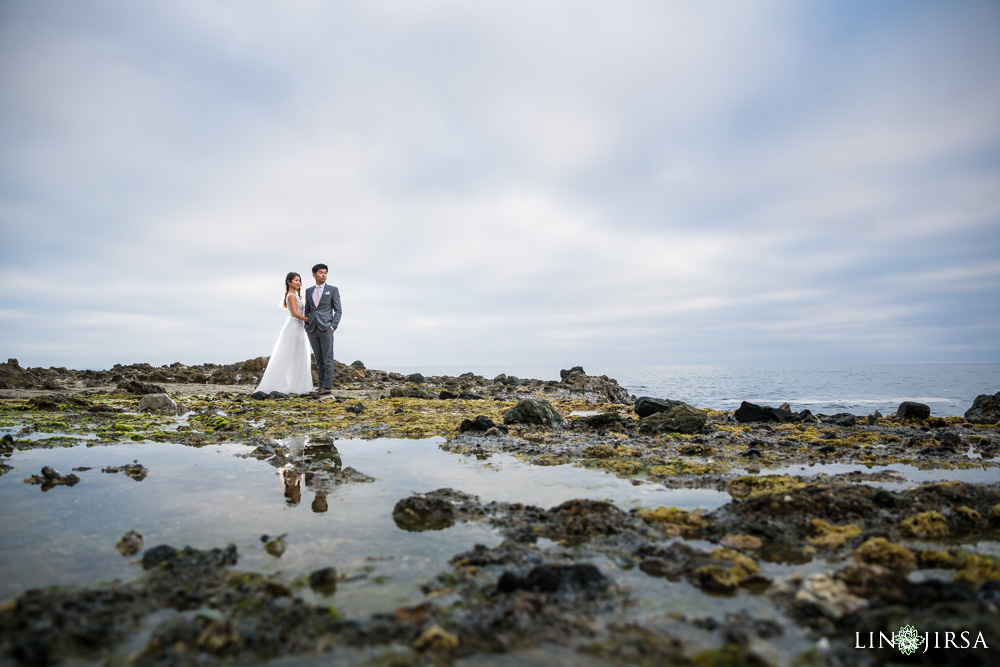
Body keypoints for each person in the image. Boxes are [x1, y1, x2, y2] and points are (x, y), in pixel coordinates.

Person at [255, 272, 313, 395]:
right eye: (296, 280)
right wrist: (310, 320)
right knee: (288, 354)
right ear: (289, 282)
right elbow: (295, 314)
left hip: (299, 327)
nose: (299, 283)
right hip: (293, 326)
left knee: (297, 355)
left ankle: (294, 384)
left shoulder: (295, 295)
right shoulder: (291, 295)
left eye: (299, 281)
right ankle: (283, 384)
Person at [304, 263, 342, 395]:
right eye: (321, 272)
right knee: (319, 360)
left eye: (325, 272)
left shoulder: (333, 290)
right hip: (312, 329)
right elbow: (307, 311)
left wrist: (332, 326)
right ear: (314, 275)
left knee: (328, 358)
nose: (324, 274)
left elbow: (338, 310)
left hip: (326, 328)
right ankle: (321, 387)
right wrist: (307, 326)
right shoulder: (309, 291)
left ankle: (327, 387)